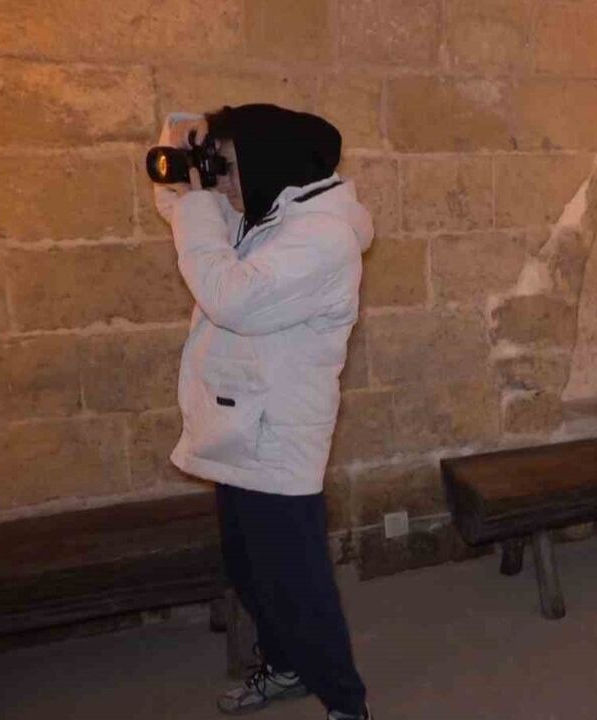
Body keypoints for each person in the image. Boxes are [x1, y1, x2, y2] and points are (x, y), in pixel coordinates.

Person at [153, 104, 374, 720]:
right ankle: (284, 666)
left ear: (267, 161)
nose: (220, 183)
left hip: (278, 438)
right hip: (238, 423)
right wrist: (178, 141)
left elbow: (232, 299)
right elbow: (181, 209)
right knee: (250, 569)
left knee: (298, 584)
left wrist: (202, 202)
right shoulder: (273, 213)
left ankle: (346, 704)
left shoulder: (322, 238)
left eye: (226, 166)